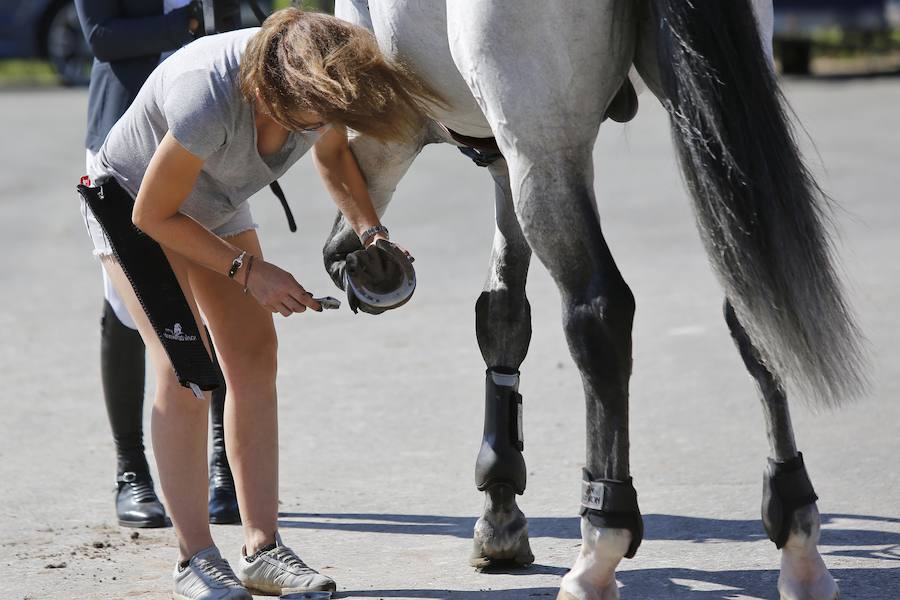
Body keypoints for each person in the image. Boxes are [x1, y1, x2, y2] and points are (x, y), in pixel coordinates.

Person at [79, 8, 438, 598]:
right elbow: (152, 213)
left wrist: (371, 232)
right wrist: (250, 271)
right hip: (132, 199)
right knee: (186, 369)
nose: (316, 127)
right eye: (307, 119)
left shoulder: (316, 69)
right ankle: (193, 558)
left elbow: (333, 154)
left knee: (253, 356)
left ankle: (261, 549)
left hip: (212, 195)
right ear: (265, 94)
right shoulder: (208, 97)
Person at [76, 0, 241, 529]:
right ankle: (131, 471)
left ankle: (222, 464)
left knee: (214, 294)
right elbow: (102, 37)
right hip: (124, 139)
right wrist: (188, 25)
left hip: (208, 138)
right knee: (130, 306)